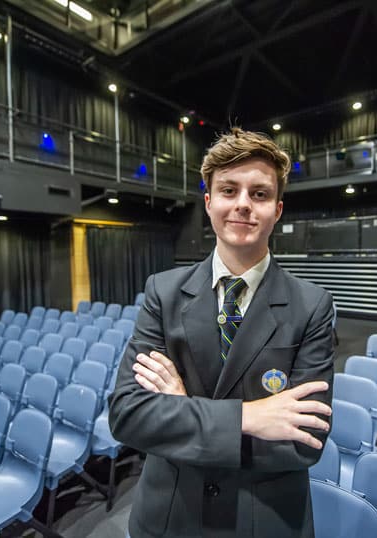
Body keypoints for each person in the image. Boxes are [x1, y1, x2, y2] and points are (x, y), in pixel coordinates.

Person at [108, 128, 335, 538]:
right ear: (210, 203)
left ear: (277, 209)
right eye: (229, 190)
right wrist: (249, 417)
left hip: (261, 519)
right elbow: (128, 415)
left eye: (259, 194)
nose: (243, 205)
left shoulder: (312, 305)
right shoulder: (163, 292)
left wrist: (182, 408)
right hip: (168, 515)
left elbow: (304, 442)